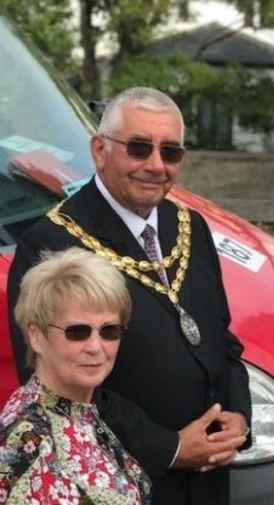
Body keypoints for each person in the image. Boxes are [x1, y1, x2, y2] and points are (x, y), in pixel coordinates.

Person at [7, 87, 251, 505]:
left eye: (170, 152)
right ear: (100, 150)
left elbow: (219, 339)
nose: (156, 165)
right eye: (139, 148)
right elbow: (52, 383)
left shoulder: (191, 225)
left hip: (210, 477)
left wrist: (238, 415)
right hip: (120, 476)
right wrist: (170, 448)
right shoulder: (50, 243)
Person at [0, 247, 151, 504]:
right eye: (77, 332)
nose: (95, 347)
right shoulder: (31, 441)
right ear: (36, 336)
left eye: (109, 331)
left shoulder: (75, 409)